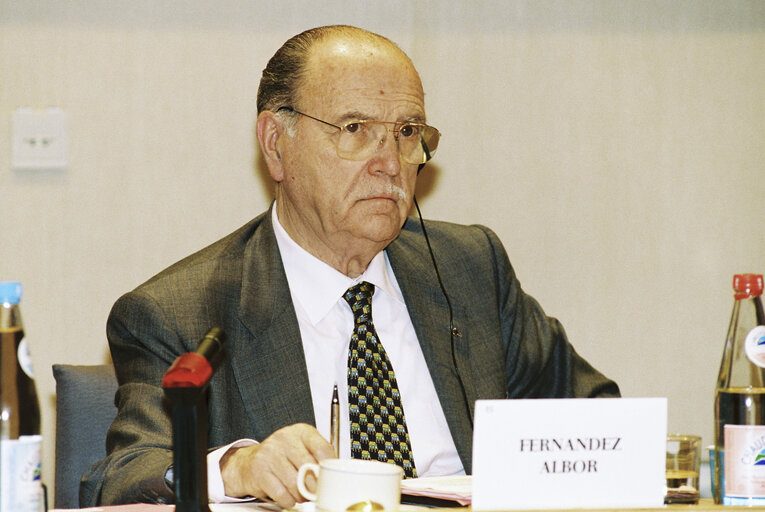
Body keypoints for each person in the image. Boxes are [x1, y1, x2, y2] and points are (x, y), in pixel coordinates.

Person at [81, 25, 619, 508]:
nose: (389, 162)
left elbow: (600, 423)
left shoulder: (471, 269)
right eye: (356, 128)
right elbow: (126, 477)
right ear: (275, 145)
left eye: (408, 133)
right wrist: (238, 467)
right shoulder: (179, 313)